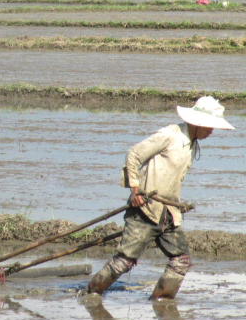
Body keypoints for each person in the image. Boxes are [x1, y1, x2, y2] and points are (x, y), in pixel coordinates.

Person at [80, 96, 235, 300]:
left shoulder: (191, 143)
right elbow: (134, 154)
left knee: (181, 261)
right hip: (145, 208)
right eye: (210, 127)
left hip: (167, 213)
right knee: (124, 262)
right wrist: (134, 189)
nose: (212, 132)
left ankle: (161, 301)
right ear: (198, 123)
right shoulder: (170, 135)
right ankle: (90, 294)